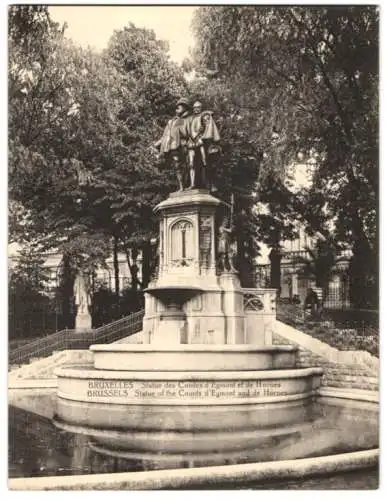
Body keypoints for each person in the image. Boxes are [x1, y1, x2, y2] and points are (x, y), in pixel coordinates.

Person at [154, 98, 191, 191]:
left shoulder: (189, 119)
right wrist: (156, 144)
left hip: (185, 145)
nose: (177, 107)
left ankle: (189, 185)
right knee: (177, 166)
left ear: (185, 107)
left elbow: (190, 132)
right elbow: (165, 135)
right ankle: (181, 187)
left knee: (188, 165)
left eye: (180, 105)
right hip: (174, 146)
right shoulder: (172, 121)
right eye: (177, 106)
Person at [187, 101, 221, 189]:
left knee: (205, 162)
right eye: (194, 108)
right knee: (191, 164)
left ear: (200, 108)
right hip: (192, 142)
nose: (196, 109)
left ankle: (210, 183)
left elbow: (208, 128)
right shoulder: (190, 118)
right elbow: (189, 130)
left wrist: (203, 136)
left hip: (201, 141)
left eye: (198, 107)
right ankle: (192, 184)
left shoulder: (204, 116)